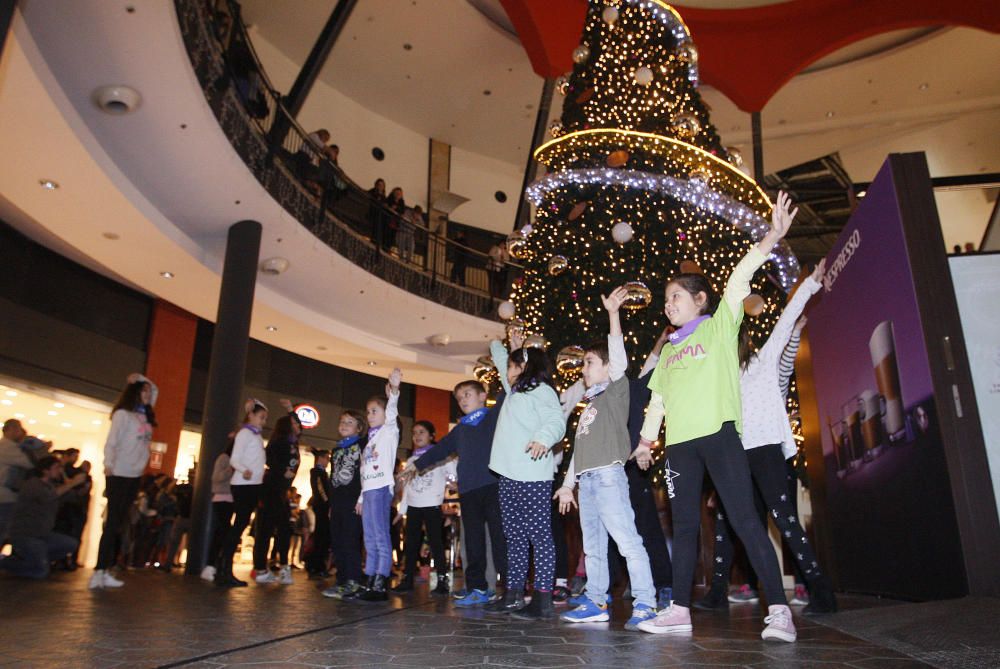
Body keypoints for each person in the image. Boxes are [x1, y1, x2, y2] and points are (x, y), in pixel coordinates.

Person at [635, 191, 799, 642]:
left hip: (721, 435)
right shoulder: (668, 352)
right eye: (666, 299)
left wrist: (770, 238)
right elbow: (659, 402)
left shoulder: (721, 324)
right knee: (685, 525)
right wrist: (647, 442)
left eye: (675, 297)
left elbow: (739, 278)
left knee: (745, 519)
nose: (668, 304)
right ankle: (679, 610)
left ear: (699, 299)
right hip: (681, 445)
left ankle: (780, 610)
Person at [700, 261, 838, 616]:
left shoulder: (762, 363)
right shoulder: (719, 382)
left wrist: (809, 284)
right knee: (726, 523)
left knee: (785, 519)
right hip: (736, 457)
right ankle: (717, 593)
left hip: (766, 452)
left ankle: (822, 592)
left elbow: (786, 321)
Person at [554, 286, 658, 631]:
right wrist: (569, 485)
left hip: (610, 478)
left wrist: (614, 314)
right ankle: (597, 602)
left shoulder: (616, 391)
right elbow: (577, 453)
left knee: (627, 541)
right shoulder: (588, 407)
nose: (583, 369)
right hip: (588, 483)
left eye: (589, 363)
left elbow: (620, 357)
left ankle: (646, 602)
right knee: (594, 548)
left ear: (608, 367)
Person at [399, 380, 508, 608]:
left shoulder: (494, 417)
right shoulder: (460, 429)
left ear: (482, 396)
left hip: (493, 485)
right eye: (459, 398)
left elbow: (507, 390)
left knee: (500, 538)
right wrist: (416, 465)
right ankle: (478, 587)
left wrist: (512, 356)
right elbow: (440, 450)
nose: (462, 400)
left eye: (467, 394)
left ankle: (511, 589)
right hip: (468, 492)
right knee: (474, 541)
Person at [485, 334, 566, 619]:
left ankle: (543, 599)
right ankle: (513, 594)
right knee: (515, 537)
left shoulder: (542, 391)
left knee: (539, 536)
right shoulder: (514, 391)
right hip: (509, 475)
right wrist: (505, 342)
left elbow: (556, 421)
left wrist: (544, 437)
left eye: (512, 365)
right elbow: (498, 358)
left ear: (523, 367)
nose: (506, 371)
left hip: (533, 475)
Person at [90, 373, 158, 590]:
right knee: (111, 523)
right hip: (118, 472)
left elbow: (156, 391)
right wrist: (108, 465)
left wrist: (144, 380)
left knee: (120, 524)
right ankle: (98, 571)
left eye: (148, 390)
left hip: (134, 474)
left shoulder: (144, 415)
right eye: (143, 390)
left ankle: (107, 568)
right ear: (135, 392)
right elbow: (112, 442)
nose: (148, 394)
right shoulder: (123, 414)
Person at [354, 369, 402, 602]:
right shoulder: (370, 440)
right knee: (369, 537)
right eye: (368, 412)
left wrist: (393, 392)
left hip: (382, 489)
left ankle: (381, 582)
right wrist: (361, 498)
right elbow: (364, 472)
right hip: (370, 490)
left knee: (381, 536)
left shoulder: (389, 432)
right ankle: (369, 579)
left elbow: (392, 413)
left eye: (375, 411)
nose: (370, 415)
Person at [393, 421, 455, 594]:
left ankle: (442, 581)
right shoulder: (412, 459)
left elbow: (453, 474)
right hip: (413, 506)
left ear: (432, 436)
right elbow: (408, 487)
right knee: (410, 544)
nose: (417, 436)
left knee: (436, 543)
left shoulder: (441, 456)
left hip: (432, 505)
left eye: (422, 432)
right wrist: (402, 510)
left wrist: (451, 481)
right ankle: (407, 579)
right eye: (414, 433)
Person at [0, 455, 87, 579]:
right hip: (26, 535)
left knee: (70, 543)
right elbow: (49, 497)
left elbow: (71, 498)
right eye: (57, 468)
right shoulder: (33, 484)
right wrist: (72, 483)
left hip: (43, 535)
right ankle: (7, 563)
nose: (59, 471)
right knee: (40, 572)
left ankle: (37, 561)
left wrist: (77, 487)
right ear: (45, 470)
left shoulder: (51, 485)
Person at [215, 399, 268, 588]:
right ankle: (224, 569)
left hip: (252, 485)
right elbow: (235, 458)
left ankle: (223, 569)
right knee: (238, 526)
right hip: (244, 485)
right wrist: (244, 469)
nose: (263, 421)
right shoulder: (245, 434)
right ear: (251, 415)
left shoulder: (254, 435)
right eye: (261, 417)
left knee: (240, 525)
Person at [322, 410, 367, 599]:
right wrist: (331, 504)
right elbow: (334, 479)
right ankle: (341, 581)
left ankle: (354, 580)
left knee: (350, 540)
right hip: (338, 502)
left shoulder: (363, 445)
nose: (344, 424)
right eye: (342, 421)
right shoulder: (337, 449)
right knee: (338, 541)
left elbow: (366, 473)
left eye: (350, 422)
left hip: (354, 500)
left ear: (359, 428)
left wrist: (362, 498)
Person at [253, 412, 301, 585]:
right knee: (266, 529)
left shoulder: (292, 443)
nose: (298, 427)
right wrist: (282, 470)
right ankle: (261, 569)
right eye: (294, 424)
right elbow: (269, 457)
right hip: (271, 489)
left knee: (283, 530)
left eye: (298, 424)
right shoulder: (280, 442)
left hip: (281, 491)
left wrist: (290, 410)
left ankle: (282, 567)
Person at [201, 443, 234, 581]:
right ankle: (211, 565)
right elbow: (216, 477)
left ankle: (216, 565)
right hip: (222, 498)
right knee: (222, 532)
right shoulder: (224, 458)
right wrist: (230, 469)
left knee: (223, 532)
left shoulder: (231, 459)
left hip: (230, 499)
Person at [0, 418, 32, 545]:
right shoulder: (8, 447)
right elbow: (29, 463)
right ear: (12, 429)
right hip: (5, 497)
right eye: (19, 429)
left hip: (6, 496)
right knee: (3, 529)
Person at [306, 449, 332, 578]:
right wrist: (328, 503)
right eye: (326, 458)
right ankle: (316, 565)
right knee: (321, 536)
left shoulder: (321, 472)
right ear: (320, 458)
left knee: (322, 536)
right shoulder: (317, 472)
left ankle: (318, 565)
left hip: (323, 506)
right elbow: (320, 489)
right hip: (321, 506)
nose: (328, 461)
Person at [384, 187, 406, 254]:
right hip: (388, 220)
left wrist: (396, 208)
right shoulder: (389, 199)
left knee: (392, 237)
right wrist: (392, 208)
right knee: (386, 235)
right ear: (393, 193)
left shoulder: (402, 202)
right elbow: (386, 206)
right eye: (396, 193)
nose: (398, 195)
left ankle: (388, 249)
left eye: (399, 194)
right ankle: (384, 248)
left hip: (396, 223)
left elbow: (402, 211)